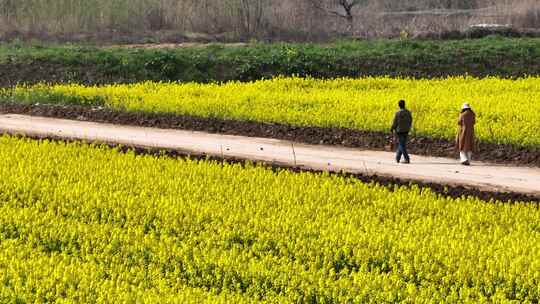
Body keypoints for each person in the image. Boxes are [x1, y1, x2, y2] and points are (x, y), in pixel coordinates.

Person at [391, 99, 413, 164]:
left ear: (399, 105)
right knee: (402, 144)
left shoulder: (397, 113)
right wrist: (408, 127)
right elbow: (410, 120)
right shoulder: (408, 112)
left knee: (402, 144)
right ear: (404, 105)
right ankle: (397, 158)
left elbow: (395, 122)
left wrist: (392, 128)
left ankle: (407, 159)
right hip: (406, 130)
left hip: (400, 131)